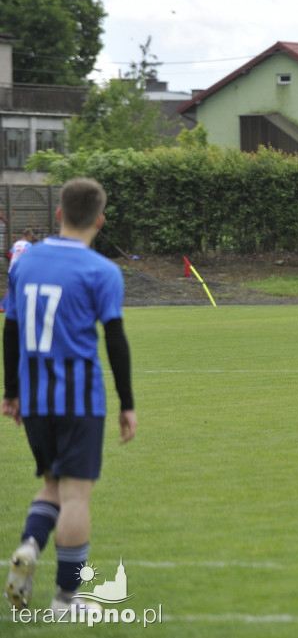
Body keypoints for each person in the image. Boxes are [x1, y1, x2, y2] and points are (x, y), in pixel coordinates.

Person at [3, 178, 137, 616]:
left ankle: (29, 544)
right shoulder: (102, 272)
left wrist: (11, 392)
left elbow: (11, 329)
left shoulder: (25, 262)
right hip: (79, 398)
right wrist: (127, 404)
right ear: (100, 220)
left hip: (36, 398)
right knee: (77, 496)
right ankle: (66, 599)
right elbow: (115, 341)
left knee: (52, 487)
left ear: (57, 214)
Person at [1, 228, 35, 313]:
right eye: (31, 236)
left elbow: (9, 254)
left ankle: (5, 306)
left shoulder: (16, 244)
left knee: (12, 288)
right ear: (29, 236)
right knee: (21, 287)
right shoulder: (28, 245)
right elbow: (29, 256)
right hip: (21, 269)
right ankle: (4, 306)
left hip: (12, 268)